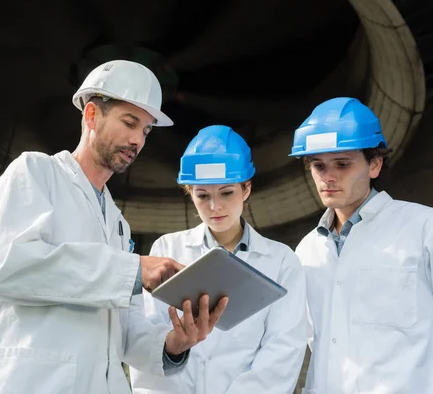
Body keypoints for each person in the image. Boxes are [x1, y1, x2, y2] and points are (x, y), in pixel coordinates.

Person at [0, 60, 228, 394]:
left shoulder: (118, 226)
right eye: (129, 123)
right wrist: (134, 269)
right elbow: (5, 266)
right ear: (91, 116)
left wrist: (174, 343)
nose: (137, 141)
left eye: (145, 131)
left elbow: (125, 332)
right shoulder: (35, 173)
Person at [129, 125, 307, 394]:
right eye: (203, 196)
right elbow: (147, 341)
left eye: (226, 193)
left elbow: (282, 351)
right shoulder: (166, 250)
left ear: (246, 188)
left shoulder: (282, 262)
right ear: (190, 193)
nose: (215, 207)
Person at [289, 97, 433, 393]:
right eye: (318, 165)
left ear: (375, 164)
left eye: (342, 164)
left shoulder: (423, 228)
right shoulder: (306, 250)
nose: (328, 177)